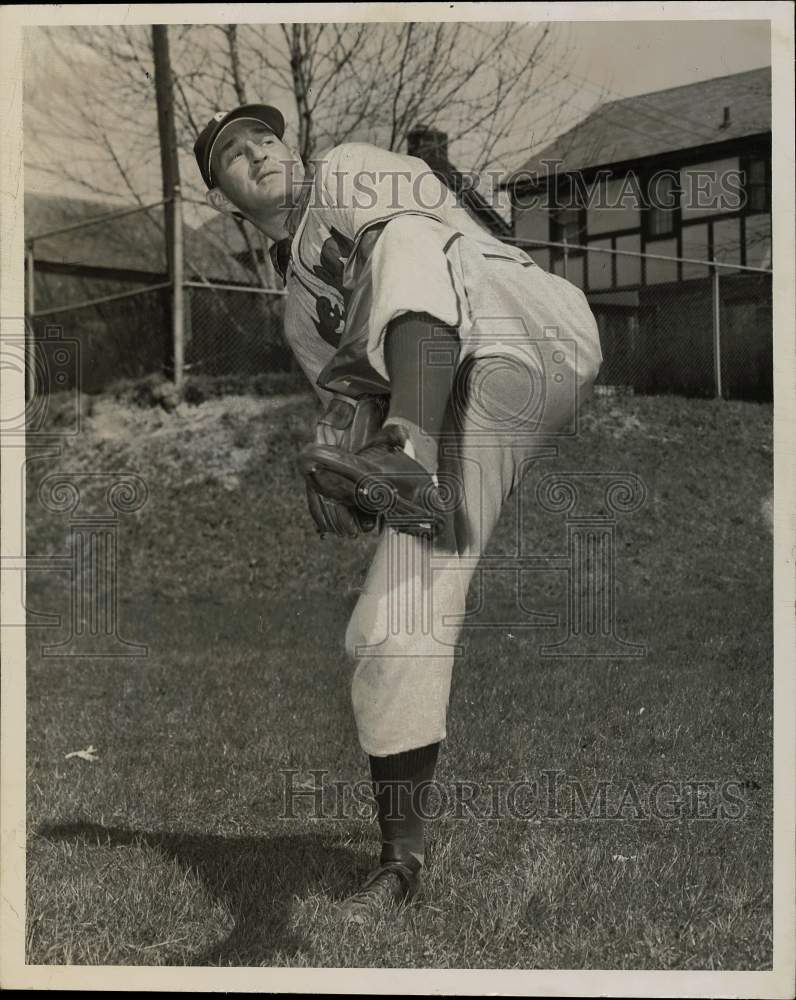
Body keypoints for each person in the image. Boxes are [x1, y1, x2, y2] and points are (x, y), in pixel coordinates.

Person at [195, 104, 603, 923]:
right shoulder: (297, 314)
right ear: (228, 197)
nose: (256, 154)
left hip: (530, 320)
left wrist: (396, 437)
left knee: (401, 239)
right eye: (233, 157)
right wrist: (345, 472)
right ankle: (398, 864)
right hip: (476, 392)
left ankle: (407, 450)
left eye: (263, 137)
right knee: (388, 623)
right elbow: (351, 398)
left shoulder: (349, 168)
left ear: (291, 145)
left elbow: (415, 248)